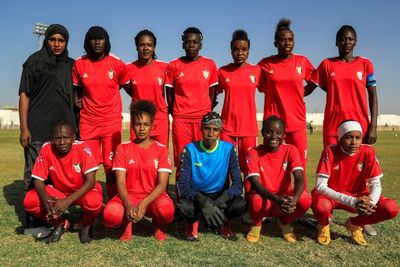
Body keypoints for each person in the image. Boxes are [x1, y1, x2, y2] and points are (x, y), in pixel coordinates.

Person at [18, 24, 76, 228]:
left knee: (57, 175)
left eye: (61, 40)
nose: (57, 44)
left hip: (64, 131)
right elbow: (24, 94)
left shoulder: (71, 64)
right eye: (53, 39)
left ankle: (55, 214)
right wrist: (24, 128)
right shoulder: (34, 62)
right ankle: (34, 217)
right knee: (35, 174)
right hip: (39, 128)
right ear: (46, 40)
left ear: (66, 42)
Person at [312, 120, 398, 246]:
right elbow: (320, 186)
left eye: (358, 138)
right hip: (333, 197)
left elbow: (375, 183)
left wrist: (371, 203)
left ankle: (355, 224)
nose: (354, 142)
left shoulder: (368, 151)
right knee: (321, 205)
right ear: (340, 139)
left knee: (391, 208)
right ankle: (324, 225)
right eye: (348, 137)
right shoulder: (330, 151)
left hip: (359, 196)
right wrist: (352, 202)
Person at [102, 100, 174, 241]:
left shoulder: (162, 150)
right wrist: (128, 203)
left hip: (153, 197)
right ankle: (126, 223)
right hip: (129, 196)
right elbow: (121, 183)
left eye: (146, 124)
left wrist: (144, 203)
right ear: (132, 125)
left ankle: (157, 224)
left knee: (166, 211)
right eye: (138, 124)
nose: (142, 128)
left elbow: (162, 185)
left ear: (152, 126)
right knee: (110, 216)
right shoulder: (122, 149)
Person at [73, 26, 130, 199]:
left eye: (101, 38)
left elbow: (127, 87)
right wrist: (78, 102)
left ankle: (113, 202)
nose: (97, 42)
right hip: (88, 122)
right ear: (87, 42)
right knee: (87, 166)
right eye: (93, 38)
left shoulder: (117, 63)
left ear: (106, 41)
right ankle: (90, 204)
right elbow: (76, 92)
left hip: (111, 123)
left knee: (111, 165)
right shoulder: (79, 63)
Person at [23, 121, 103, 244]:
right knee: (30, 201)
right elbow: (38, 180)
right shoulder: (46, 148)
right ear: (52, 138)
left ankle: (86, 224)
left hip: (82, 191)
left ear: (74, 137)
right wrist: (46, 199)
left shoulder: (83, 148)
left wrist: (67, 201)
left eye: (66, 138)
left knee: (94, 201)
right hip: (59, 192)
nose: (61, 142)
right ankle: (59, 223)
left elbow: (91, 182)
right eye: (57, 138)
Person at [258, 19, 314, 190]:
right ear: (276, 42)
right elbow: (261, 87)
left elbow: (314, 81)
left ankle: (300, 203)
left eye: (290, 39)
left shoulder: (302, 62)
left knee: (299, 165)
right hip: (273, 124)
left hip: (296, 123)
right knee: (274, 164)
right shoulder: (265, 64)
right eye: (282, 39)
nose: (287, 43)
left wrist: (300, 92)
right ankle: (274, 201)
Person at [176, 112, 246, 241]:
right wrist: (202, 200)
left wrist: (221, 201)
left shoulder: (229, 149)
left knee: (240, 204)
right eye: (207, 128)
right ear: (201, 129)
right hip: (197, 195)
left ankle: (223, 221)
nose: (210, 133)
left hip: (220, 195)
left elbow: (237, 184)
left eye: (215, 129)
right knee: (184, 206)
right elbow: (182, 185)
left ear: (220, 131)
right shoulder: (189, 149)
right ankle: (193, 222)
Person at [305, 25, 378, 148]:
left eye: (350, 39)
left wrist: (373, 126)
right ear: (336, 42)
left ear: (355, 42)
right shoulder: (326, 64)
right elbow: (308, 89)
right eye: (343, 39)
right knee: (331, 165)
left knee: (358, 166)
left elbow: (373, 96)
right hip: (333, 126)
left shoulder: (365, 64)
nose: (346, 42)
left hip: (360, 125)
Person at [245, 116, 311, 243]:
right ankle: (256, 224)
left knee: (305, 199)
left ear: (283, 134)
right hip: (265, 197)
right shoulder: (253, 152)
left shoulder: (290, 150)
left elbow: (299, 178)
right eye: (269, 131)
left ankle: (285, 222)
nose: (274, 136)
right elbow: (255, 182)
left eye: (278, 133)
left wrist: (294, 200)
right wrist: (276, 199)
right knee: (256, 201)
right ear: (263, 132)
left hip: (283, 198)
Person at [165, 27, 218, 169]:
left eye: (195, 42)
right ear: (183, 44)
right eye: (188, 42)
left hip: (202, 120)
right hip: (181, 119)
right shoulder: (174, 65)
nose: (191, 45)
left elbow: (212, 93)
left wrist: (206, 112)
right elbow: (169, 93)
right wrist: (174, 111)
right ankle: (182, 189)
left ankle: (203, 189)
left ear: (201, 44)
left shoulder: (210, 64)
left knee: (203, 156)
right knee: (183, 157)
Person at [216, 29, 260, 172]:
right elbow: (212, 94)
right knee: (226, 167)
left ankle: (250, 195)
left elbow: (270, 90)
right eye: (236, 49)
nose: (240, 53)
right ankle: (229, 194)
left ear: (249, 51)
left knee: (249, 167)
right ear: (231, 51)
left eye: (243, 49)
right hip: (227, 128)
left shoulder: (257, 71)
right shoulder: (222, 71)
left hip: (249, 129)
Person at [126, 30, 169, 147]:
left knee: (161, 157)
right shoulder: (128, 68)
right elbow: (129, 90)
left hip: (159, 119)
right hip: (138, 120)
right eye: (141, 45)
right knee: (137, 156)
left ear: (154, 47)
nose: (145, 48)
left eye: (149, 45)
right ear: (136, 47)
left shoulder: (164, 67)